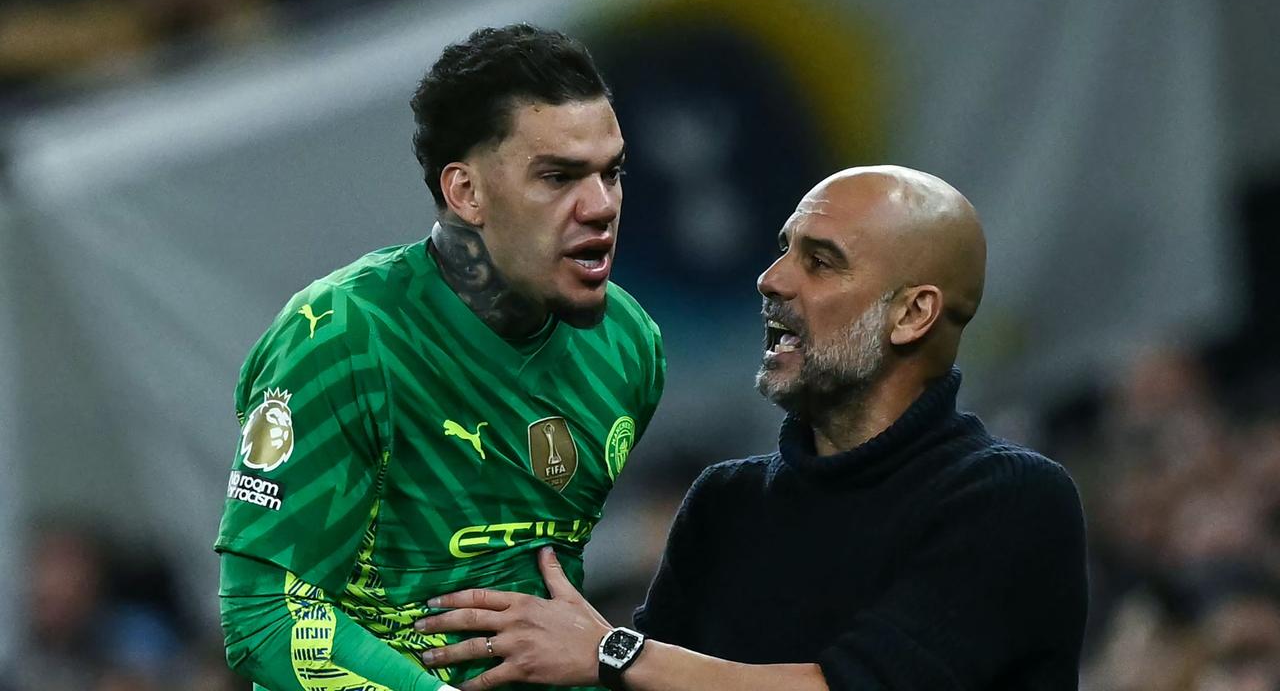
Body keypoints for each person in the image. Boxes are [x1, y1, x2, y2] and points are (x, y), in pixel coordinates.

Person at [414, 166, 1088, 690]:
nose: (770, 280)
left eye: (820, 262)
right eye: (783, 251)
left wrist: (606, 649)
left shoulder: (1009, 500)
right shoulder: (726, 506)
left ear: (911, 315)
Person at [215, 24, 665, 691]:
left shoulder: (628, 347)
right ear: (466, 193)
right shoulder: (339, 336)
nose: (601, 205)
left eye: (612, 172)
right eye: (559, 176)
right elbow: (262, 613)